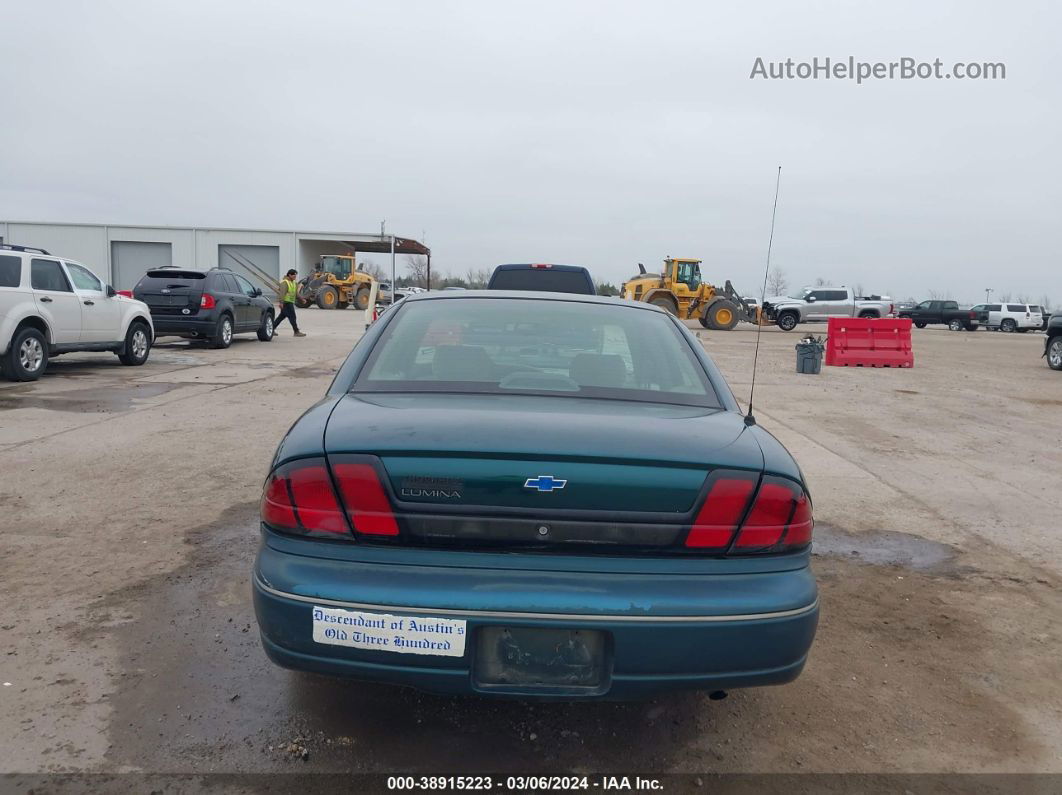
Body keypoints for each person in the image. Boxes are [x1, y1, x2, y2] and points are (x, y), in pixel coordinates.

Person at [275, 269, 306, 337]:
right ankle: (296, 331)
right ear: (289, 275)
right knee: (292, 317)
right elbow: (282, 293)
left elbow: (296, 293)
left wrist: (302, 299)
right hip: (286, 303)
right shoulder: (285, 282)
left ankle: (271, 329)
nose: (295, 276)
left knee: (281, 317)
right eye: (294, 275)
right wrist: (281, 303)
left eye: (296, 275)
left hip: (290, 302)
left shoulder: (294, 283)